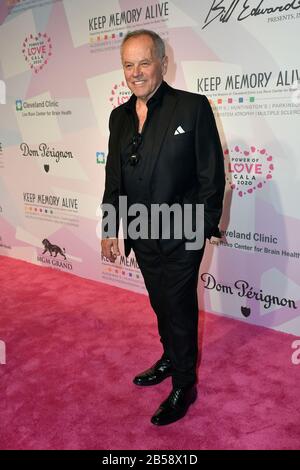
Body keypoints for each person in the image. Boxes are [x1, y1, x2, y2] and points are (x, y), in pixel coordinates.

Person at [101, 29, 225, 426]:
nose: (135, 72)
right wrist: (109, 228)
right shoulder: (118, 117)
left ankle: (185, 384)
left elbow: (211, 173)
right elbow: (114, 178)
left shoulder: (191, 108)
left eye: (144, 62)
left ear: (162, 63)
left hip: (182, 232)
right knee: (160, 304)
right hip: (141, 230)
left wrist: (202, 229)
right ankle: (171, 358)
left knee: (180, 307)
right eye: (128, 64)